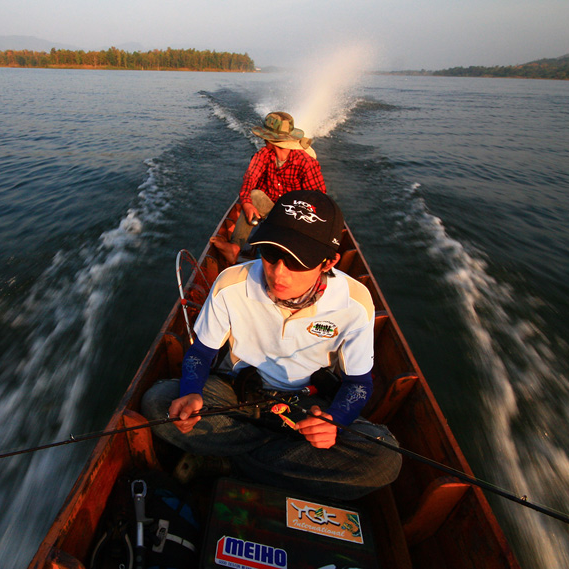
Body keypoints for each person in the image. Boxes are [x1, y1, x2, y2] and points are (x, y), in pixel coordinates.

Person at [142, 190, 401, 500]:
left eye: (296, 262)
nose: (279, 273)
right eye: (270, 253)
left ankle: (229, 459)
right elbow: (201, 352)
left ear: (328, 261)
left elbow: (358, 383)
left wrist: (335, 420)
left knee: (385, 459)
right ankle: (277, 464)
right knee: (158, 403)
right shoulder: (231, 283)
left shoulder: (355, 303)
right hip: (235, 396)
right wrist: (192, 393)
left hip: (305, 406)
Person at [210, 111, 326, 265]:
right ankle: (235, 247)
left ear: (272, 139)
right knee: (254, 195)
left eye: (265, 136)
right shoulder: (264, 155)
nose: (263, 139)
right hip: (270, 208)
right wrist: (246, 203)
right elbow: (249, 180)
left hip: (293, 216)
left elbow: (319, 199)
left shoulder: (305, 163)